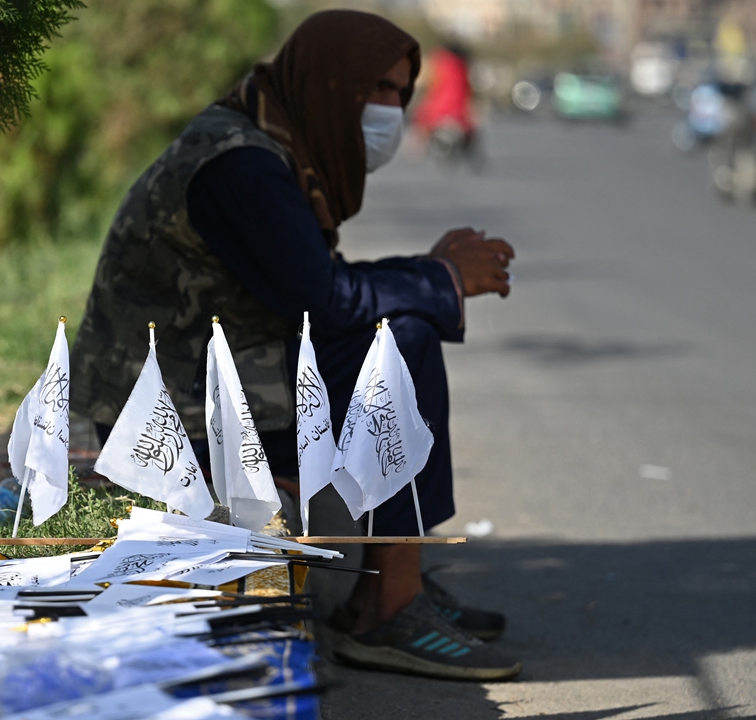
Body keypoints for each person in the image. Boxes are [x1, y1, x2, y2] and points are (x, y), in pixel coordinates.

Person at [69, 11, 519, 681]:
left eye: (401, 93)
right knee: (403, 342)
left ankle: (383, 593)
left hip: (208, 383)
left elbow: (313, 286)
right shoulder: (241, 164)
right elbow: (324, 301)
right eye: (381, 91)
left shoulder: (268, 141)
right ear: (329, 86)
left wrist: (426, 275)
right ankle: (392, 608)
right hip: (173, 420)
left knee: (399, 334)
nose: (393, 110)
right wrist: (441, 279)